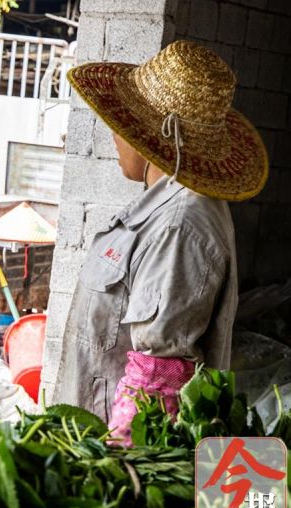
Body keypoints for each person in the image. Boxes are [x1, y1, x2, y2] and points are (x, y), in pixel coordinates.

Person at [53, 40, 269, 445]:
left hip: (114, 460)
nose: (115, 138)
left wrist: (113, 465)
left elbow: (158, 377)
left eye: (123, 127)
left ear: (154, 136)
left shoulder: (180, 226)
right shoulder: (164, 203)